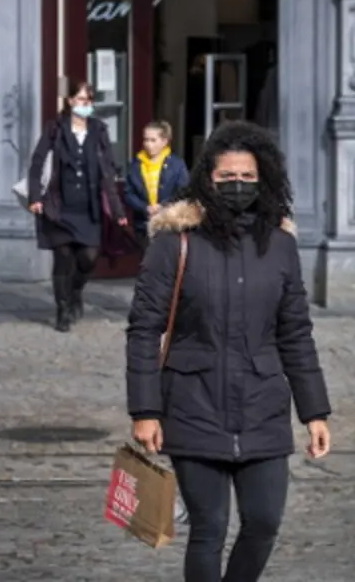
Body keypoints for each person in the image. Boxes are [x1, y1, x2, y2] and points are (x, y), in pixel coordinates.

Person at [126, 121, 332, 582]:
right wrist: (145, 410)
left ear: (264, 181)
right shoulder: (173, 244)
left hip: (263, 405)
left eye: (247, 177)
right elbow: (143, 330)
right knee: (210, 527)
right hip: (192, 402)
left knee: (263, 523)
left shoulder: (280, 247)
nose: (237, 186)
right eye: (226, 178)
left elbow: (295, 331)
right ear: (207, 179)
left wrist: (314, 411)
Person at [26, 82, 128, 332]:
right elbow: (38, 162)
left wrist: (117, 210)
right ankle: (62, 309)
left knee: (88, 257)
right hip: (59, 206)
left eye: (89, 101)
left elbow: (107, 170)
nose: (86, 105)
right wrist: (35, 196)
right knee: (62, 256)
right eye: (81, 100)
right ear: (70, 100)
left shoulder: (99, 130)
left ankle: (75, 291)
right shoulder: (55, 128)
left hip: (89, 207)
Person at [125, 120, 190, 245]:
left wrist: (163, 205)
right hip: (143, 225)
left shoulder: (176, 165)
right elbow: (128, 193)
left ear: (164, 142)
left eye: (153, 140)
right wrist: (145, 208)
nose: (148, 144)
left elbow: (184, 191)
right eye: (146, 140)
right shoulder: (136, 164)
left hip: (169, 224)